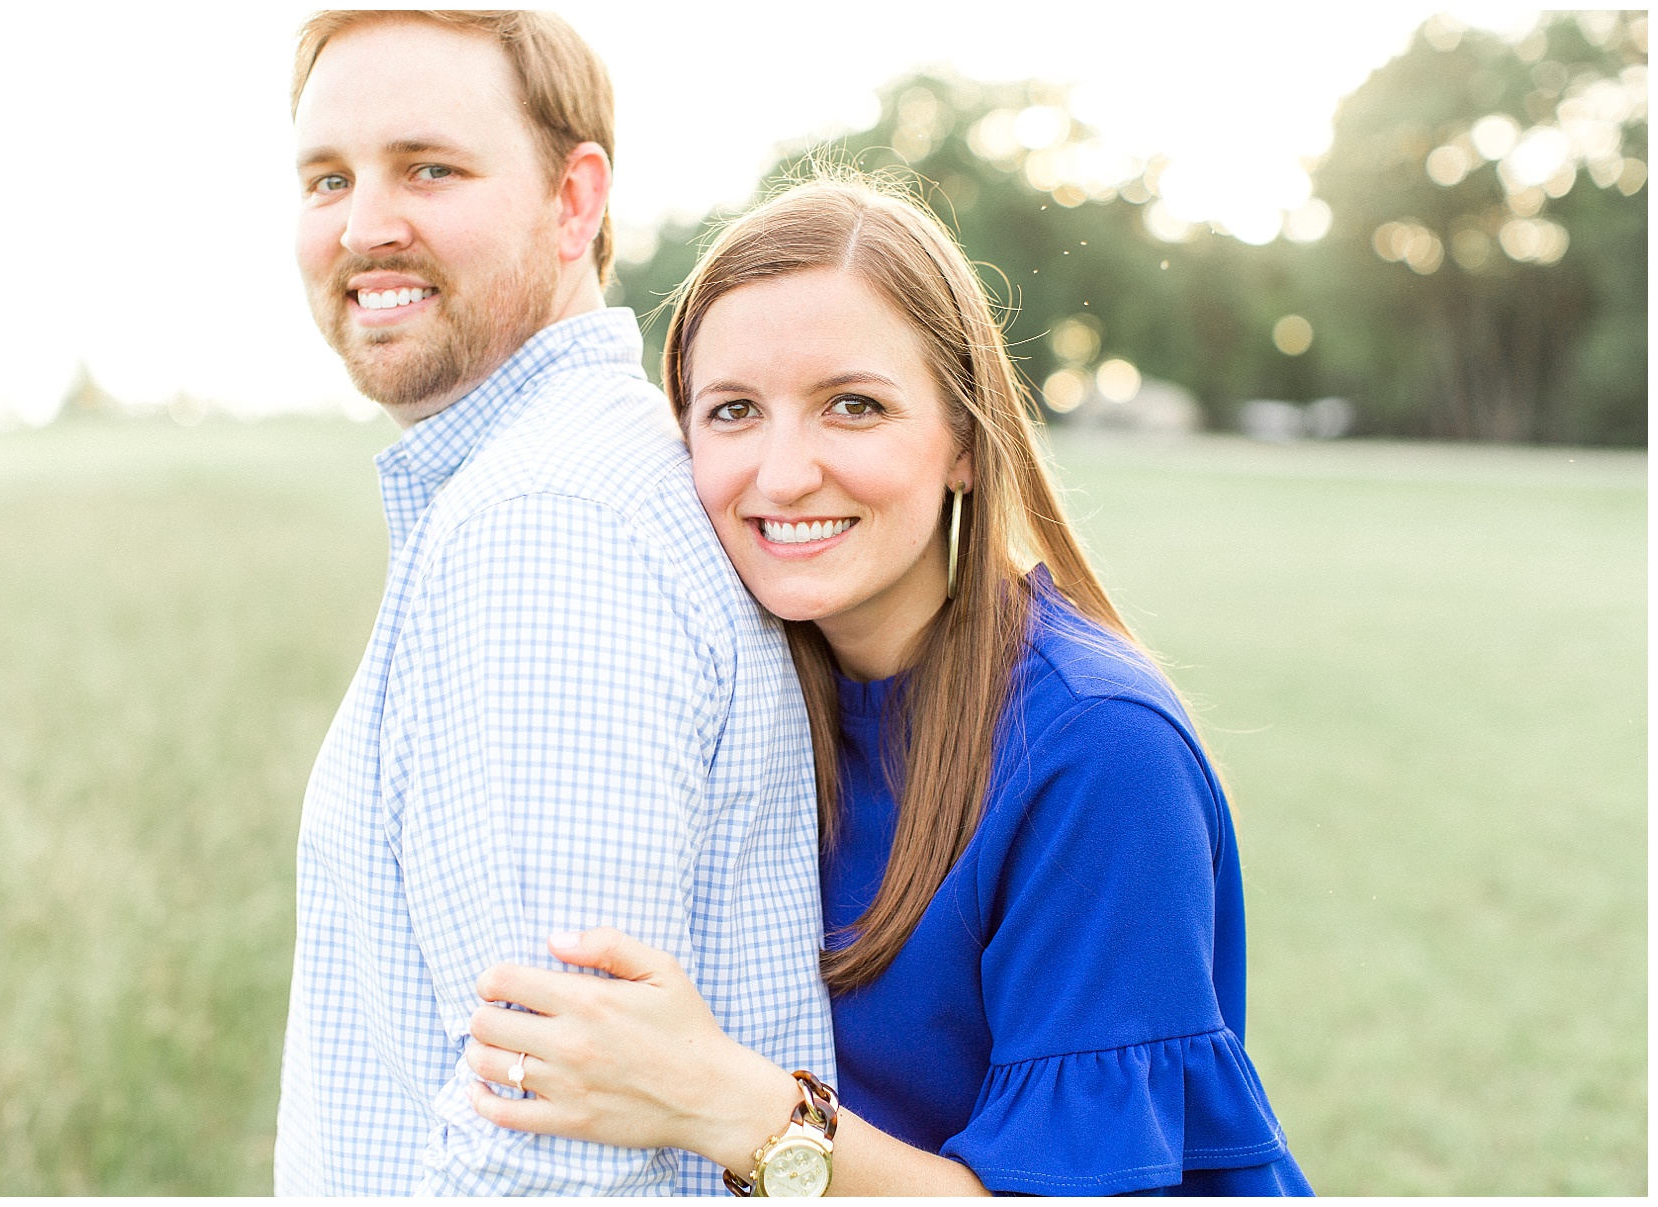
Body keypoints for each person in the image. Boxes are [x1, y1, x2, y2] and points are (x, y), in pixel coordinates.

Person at [460, 178, 1315, 1196]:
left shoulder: (1098, 751)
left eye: (852, 406)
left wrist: (728, 1103)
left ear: (962, 438)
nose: (781, 474)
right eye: (733, 411)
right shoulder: (743, 692)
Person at [273, 12, 833, 1195]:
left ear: (574, 202)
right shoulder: (560, 474)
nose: (365, 225)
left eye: (430, 166)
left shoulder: (550, 519)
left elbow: (549, 1150)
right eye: (329, 177)